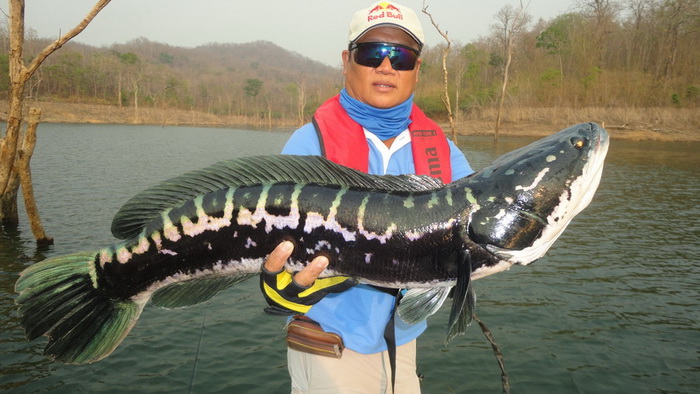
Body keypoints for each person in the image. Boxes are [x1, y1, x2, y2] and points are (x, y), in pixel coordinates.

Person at [260, 2, 473, 392]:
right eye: (372, 52)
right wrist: (278, 285)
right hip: (330, 345)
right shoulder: (309, 144)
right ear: (347, 60)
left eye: (402, 56)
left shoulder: (443, 151)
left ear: (417, 69)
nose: (387, 66)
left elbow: (477, 231)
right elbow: (266, 240)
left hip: (403, 343)